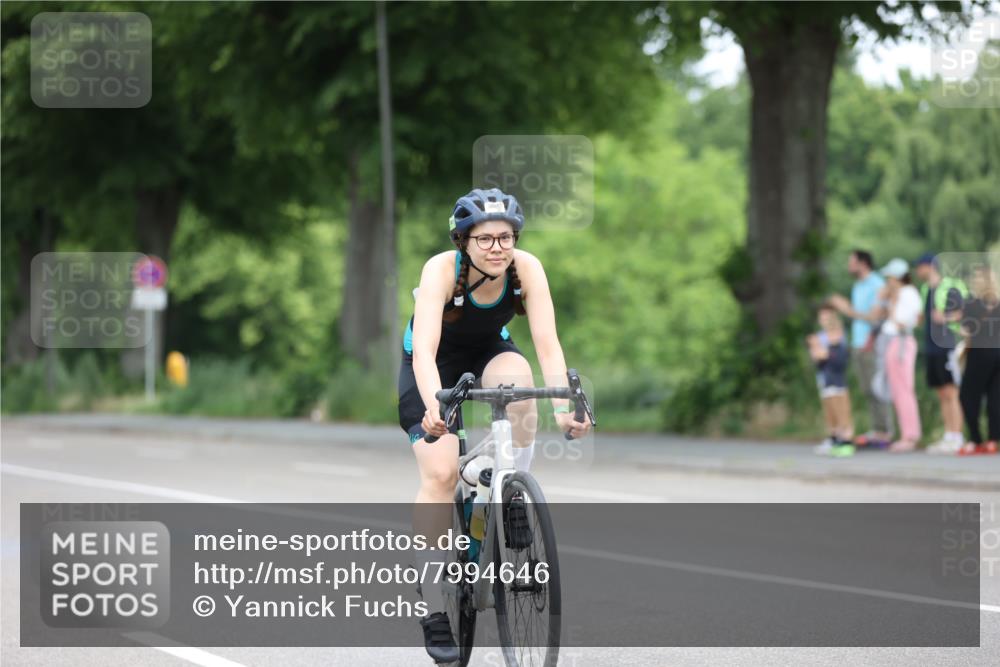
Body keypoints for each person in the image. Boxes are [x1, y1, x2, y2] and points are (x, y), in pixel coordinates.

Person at [398, 187, 591, 662]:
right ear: (463, 241)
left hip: (489, 352)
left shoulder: (527, 269)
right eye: (484, 239)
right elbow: (424, 352)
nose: (497, 247)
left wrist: (563, 407)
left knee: (519, 384)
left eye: (506, 237)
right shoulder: (442, 269)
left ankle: (509, 491)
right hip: (433, 364)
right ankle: (433, 607)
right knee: (441, 474)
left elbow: (547, 344)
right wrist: (435, 408)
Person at [829, 249, 893, 448]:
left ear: (863, 264)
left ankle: (885, 432)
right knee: (867, 389)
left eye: (852, 262)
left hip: (871, 343)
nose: (849, 266)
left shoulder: (877, 284)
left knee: (876, 387)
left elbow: (875, 316)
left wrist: (847, 309)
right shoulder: (857, 285)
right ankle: (876, 429)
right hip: (858, 343)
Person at [915, 253, 969, 454]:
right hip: (931, 346)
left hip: (947, 345)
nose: (917, 271)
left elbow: (966, 310)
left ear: (929, 266)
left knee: (951, 391)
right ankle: (948, 435)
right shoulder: (925, 289)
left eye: (919, 266)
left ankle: (957, 436)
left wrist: (945, 317)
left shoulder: (949, 286)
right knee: (941, 392)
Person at [878, 258, 924, 452]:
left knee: (904, 390)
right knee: (898, 390)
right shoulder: (900, 294)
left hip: (902, 342)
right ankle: (906, 433)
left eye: (889, 277)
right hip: (894, 342)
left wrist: (893, 301)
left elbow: (905, 321)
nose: (887, 281)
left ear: (897, 277)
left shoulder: (908, 293)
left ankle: (910, 435)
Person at [956, 266, 1000, 455]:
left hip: (980, 353)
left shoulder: (972, 304)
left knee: (967, 395)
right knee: (995, 397)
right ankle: (993, 441)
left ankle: (975, 439)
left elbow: (966, 331)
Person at [809, 303, 854, 457]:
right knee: (831, 414)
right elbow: (818, 361)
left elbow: (838, 362)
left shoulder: (840, 347)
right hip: (827, 383)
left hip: (838, 385)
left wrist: (824, 353)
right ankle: (836, 440)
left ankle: (846, 442)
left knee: (843, 414)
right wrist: (818, 351)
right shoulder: (825, 344)